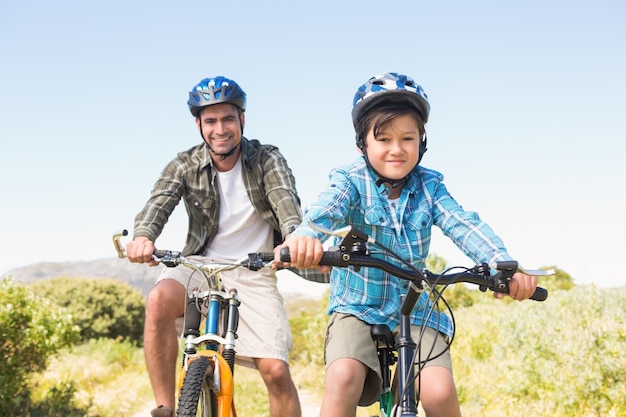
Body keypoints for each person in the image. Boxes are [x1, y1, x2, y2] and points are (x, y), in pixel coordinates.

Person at [275, 72, 539, 417]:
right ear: (362, 144)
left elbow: (463, 224)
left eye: (407, 138)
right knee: (343, 377)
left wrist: (501, 263)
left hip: (416, 304)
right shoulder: (351, 179)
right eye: (383, 139)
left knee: (439, 392)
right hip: (356, 304)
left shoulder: (430, 186)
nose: (396, 149)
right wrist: (304, 238)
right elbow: (325, 211)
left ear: (421, 143)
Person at [126, 76, 303, 417]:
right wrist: (143, 236)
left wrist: (293, 236)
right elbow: (158, 204)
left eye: (227, 119)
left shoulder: (267, 159)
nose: (219, 129)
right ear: (199, 125)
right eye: (210, 121)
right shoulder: (184, 164)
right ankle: (165, 407)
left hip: (254, 270)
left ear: (242, 120)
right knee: (159, 298)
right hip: (198, 266)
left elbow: (285, 199)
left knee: (277, 372)